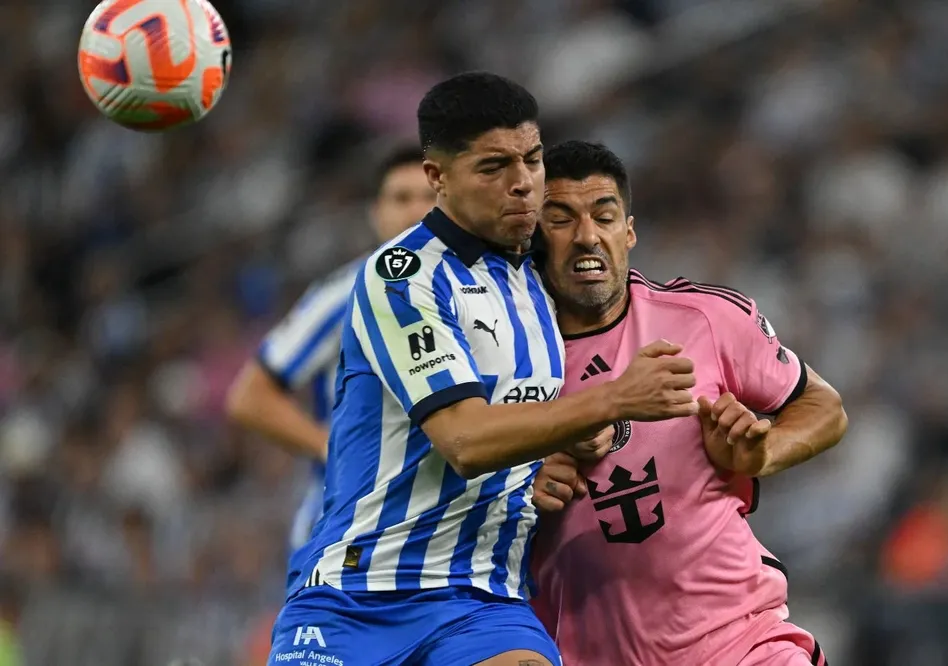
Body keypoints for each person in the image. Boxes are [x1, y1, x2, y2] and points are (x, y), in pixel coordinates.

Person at [266, 72, 702, 666]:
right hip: (359, 596)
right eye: (494, 167)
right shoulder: (403, 276)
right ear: (437, 177)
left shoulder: (544, 275)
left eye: (532, 159)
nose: (523, 183)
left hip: (482, 603)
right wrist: (613, 400)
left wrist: (568, 445)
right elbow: (465, 440)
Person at [529, 140, 848, 666]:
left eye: (604, 216)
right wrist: (521, 482)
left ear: (628, 231)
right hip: (586, 650)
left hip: (742, 642)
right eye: (561, 219)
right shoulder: (509, 356)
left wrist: (761, 453)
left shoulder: (701, 318)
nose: (587, 236)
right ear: (534, 235)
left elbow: (824, 407)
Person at [226, 145, 436, 590]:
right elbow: (250, 395)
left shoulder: (479, 292)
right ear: (375, 213)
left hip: (436, 532)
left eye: (429, 197)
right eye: (401, 198)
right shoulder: (345, 296)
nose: (416, 210)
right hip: (344, 531)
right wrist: (330, 447)